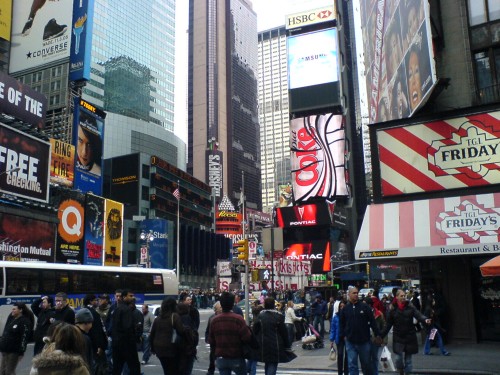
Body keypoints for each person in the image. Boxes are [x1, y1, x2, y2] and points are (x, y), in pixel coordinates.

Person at [381, 289, 431, 375]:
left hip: (409, 336)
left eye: (404, 295)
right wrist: (381, 335)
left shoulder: (410, 307)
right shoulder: (392, 310)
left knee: (408, 360)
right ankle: (400, 370)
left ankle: (408, 373)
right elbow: (388, 325)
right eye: (401, 296)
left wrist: (425, 319)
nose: (403, 297)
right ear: (396, 297)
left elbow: (418, 315)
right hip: (398, 337)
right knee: (398, 358)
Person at [339, 286, 382, 375]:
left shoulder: (365, 307)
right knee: (352, 365)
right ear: (349, 294)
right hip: (350, 342)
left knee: (366, 364)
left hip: (364, 342)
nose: (356, 295)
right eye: (354, 293)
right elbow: (341, 324)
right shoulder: (345, 309)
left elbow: (373, 321)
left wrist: (378, 334)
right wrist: (343, 336)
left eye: (357, 293)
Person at [208, 292, 252, 375]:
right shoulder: (238, 319)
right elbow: (246, 337)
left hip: (221, 356)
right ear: (233, 304)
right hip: (236, 355)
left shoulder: (214, 320)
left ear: (221, 304)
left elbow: (211, 340)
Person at [253, 297, 295, 375]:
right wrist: (287, 346)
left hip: (263, 343)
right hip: (276, 343)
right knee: (272, 363)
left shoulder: (260, 316)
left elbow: (255, 331)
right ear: (273, 305)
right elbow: (284, 333)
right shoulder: (278, 316)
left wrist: (253, 343)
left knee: (267, 363)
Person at [150, 297, 186, 374]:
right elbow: (181, 331)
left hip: (159, 348)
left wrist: (152, 348)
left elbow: (152, 334)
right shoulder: (174, 316)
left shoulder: (158, 318)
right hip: (171, 347)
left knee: (166, 369)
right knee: (174, 369)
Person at [111, 289, 141, 375]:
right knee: (134, 367)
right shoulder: (126, 310)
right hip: (126, 344)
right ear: (124, 297)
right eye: (130, 296)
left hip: (116, 343)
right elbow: (127, 327)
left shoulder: (117, 309)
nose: (133, 297)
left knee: (117, 368)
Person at [0, 302, 31, 375]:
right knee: (2, 371)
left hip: (14, 351)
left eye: (14, 309)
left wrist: (21, 351)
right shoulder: (11, 318)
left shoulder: (24, 321)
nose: (12, 311)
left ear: (20, 310)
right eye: (12, 309)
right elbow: (5, 331)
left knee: (9, 371)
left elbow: (24, 337)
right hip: (5, 349)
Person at [365, 297, 387, 375]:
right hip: (365, 339)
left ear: (369, 305)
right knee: (366, 359)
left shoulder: (378, 314)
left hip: (375, 339)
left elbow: (384, 326)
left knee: (374, 357)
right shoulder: (362, 313)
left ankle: (375, 373)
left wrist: (382, 338)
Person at [177, 302, 198, 375]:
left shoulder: (176, 319)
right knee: (187, 370)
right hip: (188, 350)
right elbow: (194, 334)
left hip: (178, 350)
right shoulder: (188, 318)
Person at [329, 300, 348, 375]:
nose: (342, 308)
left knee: (347, 356)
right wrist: (331, 339)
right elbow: (333, 329)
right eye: (340, 306)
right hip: (339, 338)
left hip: (346, 338)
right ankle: (340, 372)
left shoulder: (347, 316)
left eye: (343, 306)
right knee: (340, 355)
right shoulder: (336, 317)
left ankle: (346, 372)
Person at [205, 301, 222, 375]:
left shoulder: (224, 316)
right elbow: (208, 330)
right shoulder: (212, 318)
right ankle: (211, 370)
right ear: (216, 309)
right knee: (212, 356)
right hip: (214, 341)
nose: (222, 308)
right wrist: (207, 338)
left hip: (222, 341)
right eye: (220, 307)